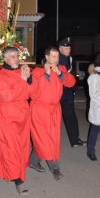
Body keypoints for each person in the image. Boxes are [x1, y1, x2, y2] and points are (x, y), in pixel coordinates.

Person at [29, 46, 76, 180]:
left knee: (52, 139)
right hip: (39, 109)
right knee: (44, 139)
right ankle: (55, 168)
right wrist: (47, 74)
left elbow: (71, 82)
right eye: (54, 56)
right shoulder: (37, 72)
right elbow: (33, 92)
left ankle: (33, 161)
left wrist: (61, 74)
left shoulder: (61, 69)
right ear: (47, 57)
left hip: (54, 109)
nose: (57, 59)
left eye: (57, 57)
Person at [0, 46, 32, 195]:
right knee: (10, 147)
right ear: (5, 59)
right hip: (7, 116)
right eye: (13, 56)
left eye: (17, 56)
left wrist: (29, 80)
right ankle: (18, 180)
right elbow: (8, 96)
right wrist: (23, 81)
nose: (16, 59)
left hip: (22, 114)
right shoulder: (0, 77)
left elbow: (29, 92)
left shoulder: (20, 72)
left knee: (21, 146)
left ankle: (15, 170)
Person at [58, 37, 86, 147]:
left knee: (71, 117)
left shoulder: (69, 58)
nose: (68, 49)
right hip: (58, 92)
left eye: (69, 47)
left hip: (67, 93)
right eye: (65, 47)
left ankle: (75, 140)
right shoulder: (57, 58)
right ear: (60, 49)